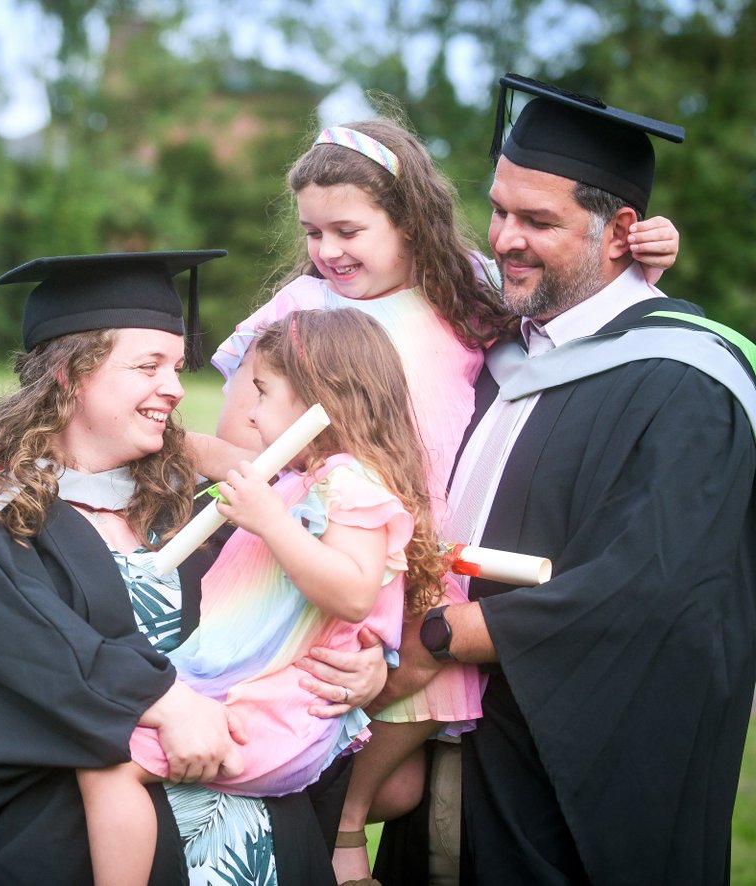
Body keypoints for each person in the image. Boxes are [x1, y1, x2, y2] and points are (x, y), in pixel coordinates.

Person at [209, 112, 682, 886]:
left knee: (406, 740)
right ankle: (330, 834)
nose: (328, 251)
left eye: (349, 230)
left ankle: (346, 826)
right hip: (327, 540)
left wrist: (646, 257)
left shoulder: (465, 287)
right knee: (325, 730)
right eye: (314, 232)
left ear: (408, 219)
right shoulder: (301, 307)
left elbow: (567, 299)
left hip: (430, 545)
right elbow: (240, 428)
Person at [0, 251, 390, 885]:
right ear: (71, 374)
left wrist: (360, 670)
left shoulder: (199, 512)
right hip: (82, 844)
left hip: (257, 843)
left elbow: (299, 612)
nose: (177, 388)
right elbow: (33, 654)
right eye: (148, 366)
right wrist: (165, 701)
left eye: (177, 367)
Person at [388, 73, 756, 883]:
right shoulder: (498, 350)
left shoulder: (685, 383)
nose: (504, 237)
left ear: (621, 230)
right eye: (499, 209)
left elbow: (654, 593)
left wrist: (442, 638)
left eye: (537, 221)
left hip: (567, 799)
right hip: (442, 757)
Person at [78, 308, 446, 886]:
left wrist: (272, 523)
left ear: (317, 402)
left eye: (262, 391)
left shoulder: (350, 483)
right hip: (263, 708)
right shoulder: (310, 480)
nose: (249, 412)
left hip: (272, 717)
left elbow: (353, 593)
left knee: (109, 765)